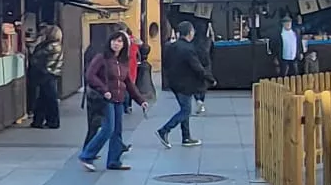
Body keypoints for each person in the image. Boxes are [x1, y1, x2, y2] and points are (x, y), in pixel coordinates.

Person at [80, 31, 148, 172]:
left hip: (119, 98)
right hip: (105, 98)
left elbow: (128, 83)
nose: (116, 44)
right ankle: (87, 155)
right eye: (114, 41)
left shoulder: (123, 62)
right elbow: (90, 75)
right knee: (108, 128)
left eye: (119, 41)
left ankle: (114, 161)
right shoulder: (102, 58)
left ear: (124, 45)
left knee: (117, 131)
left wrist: (140, 100)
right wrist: (104, 89)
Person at [155, 22, 214, 149]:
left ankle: (186, 137)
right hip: (185, 84)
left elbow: (165, 63)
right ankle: (164, 130)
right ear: (190, 32)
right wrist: (210, 78)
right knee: (186, 111)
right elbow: (197, 67)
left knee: (184, 108)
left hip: (174, 83)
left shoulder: (170, 47)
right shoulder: (188, 49)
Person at [29, 25, 64, 129]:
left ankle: (51, 121)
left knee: (48, 99)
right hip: (51, 74)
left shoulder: (51, 46)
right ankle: (41, 121)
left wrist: (38, 41)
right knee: (45, 98)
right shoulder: (56, 45)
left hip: (47, 74)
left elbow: (36, 55)